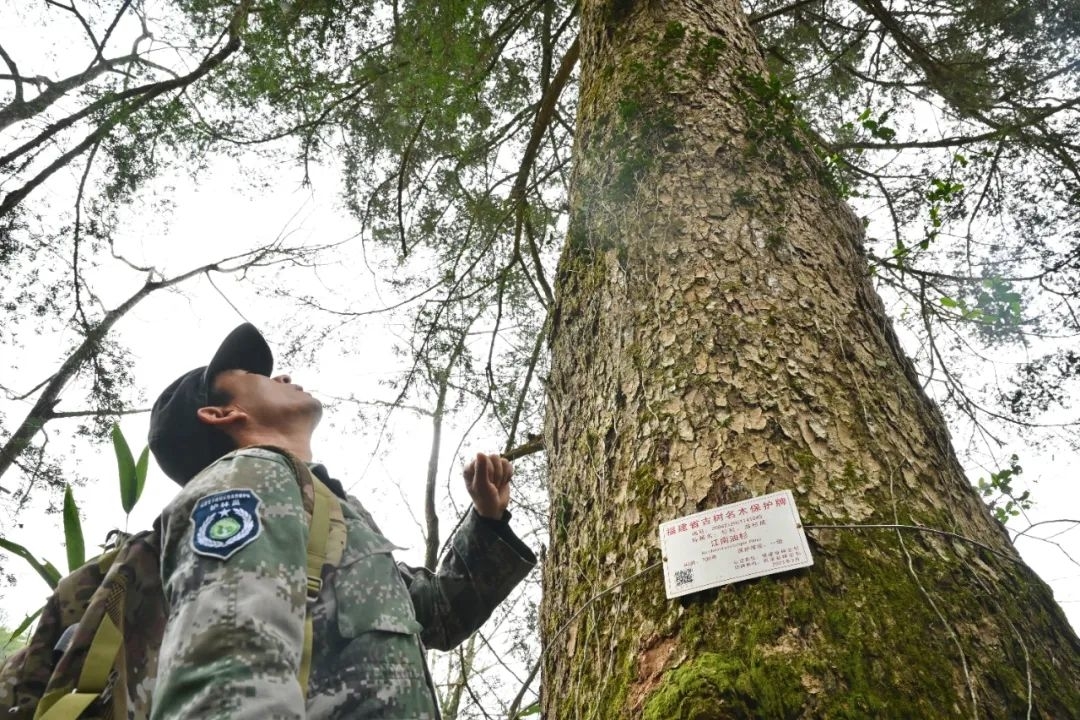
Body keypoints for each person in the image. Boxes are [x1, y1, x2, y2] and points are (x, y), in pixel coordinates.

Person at [146, 323, 536, 719]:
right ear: (221, 413)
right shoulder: (244, 478)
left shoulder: (326, 507)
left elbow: (439, 614)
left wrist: (488, 520)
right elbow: (227, 663)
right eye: (254, 376)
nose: (282, 377)